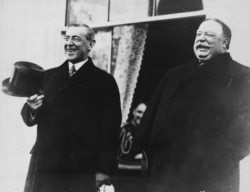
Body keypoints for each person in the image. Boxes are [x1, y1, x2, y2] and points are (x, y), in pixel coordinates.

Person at [132, 18, 250, 192]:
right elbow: (150, 119)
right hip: (165, 176)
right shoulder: (174, 75)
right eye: (198, 34)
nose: (201, 39)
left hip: (211, 178)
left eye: (209, 35)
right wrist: (142, 152)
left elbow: (244, 132)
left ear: (225, 43)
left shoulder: (242, 76)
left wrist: (211, 162)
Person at [21, 24, 122, 192]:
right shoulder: (48, 76)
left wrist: (103, 168)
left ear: (90, 44)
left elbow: (110, 129)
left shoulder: (104, 81)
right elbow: (31, 119)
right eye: (66, 38)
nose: (69, 43)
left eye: (76, 38)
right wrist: (32, 109)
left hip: (80, 168)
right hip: (46, 164)